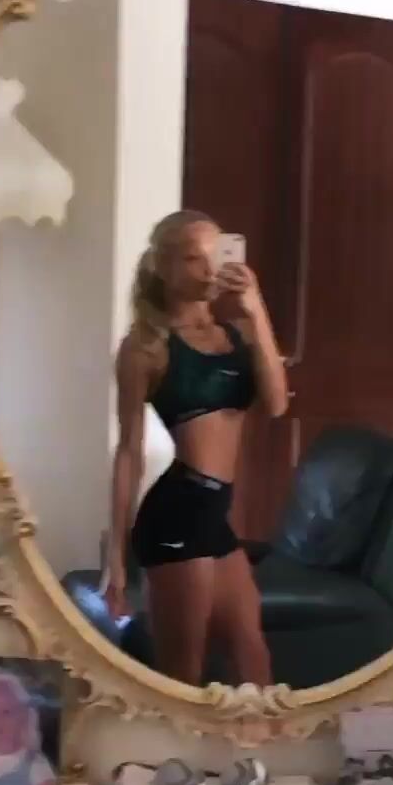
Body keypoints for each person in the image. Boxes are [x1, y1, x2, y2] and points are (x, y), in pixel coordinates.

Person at [103, 211, 288, 687]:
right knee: (183, 674)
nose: (208, 271)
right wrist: (116, 558)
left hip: (213, 516)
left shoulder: (237, 333)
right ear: (162, 266)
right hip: (176, 516)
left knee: (254, 659)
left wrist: (256, 310)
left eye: (214, 256)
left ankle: (261, 740)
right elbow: (129, 452)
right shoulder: (146, 347)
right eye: (192, 259)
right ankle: (168, 743)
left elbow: (276, 404)